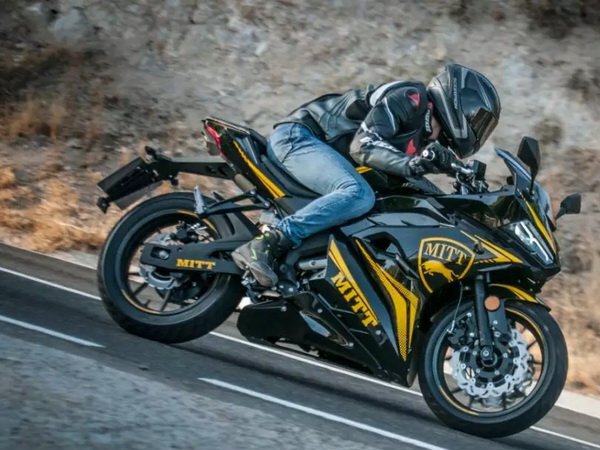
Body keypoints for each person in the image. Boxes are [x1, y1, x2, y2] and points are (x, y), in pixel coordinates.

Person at [232, 64, 501, 287]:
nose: (478, 127)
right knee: (358, 194)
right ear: (459, 101)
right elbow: (364, 146)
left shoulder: (423, 137)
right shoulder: (412, 97)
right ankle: (269, 243)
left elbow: (417, 186)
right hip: (300, 137)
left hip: (323, 152)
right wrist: (413, 164)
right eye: (478, 119)